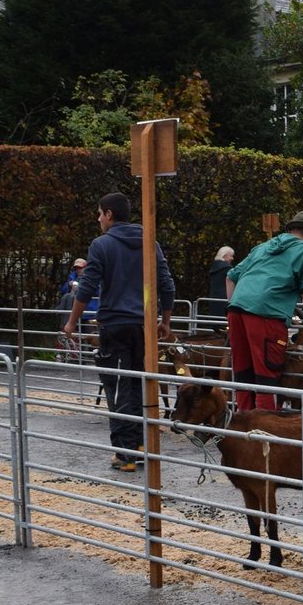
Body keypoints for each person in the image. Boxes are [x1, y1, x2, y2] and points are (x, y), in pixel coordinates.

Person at [61, 192, 175, 473]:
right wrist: (165, 320)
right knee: (140, 384)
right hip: (145, 326)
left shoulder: (102, 245)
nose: (98, 219)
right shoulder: (151, 243)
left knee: (117, 387)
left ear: (109, 214)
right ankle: (140, 445)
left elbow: (88, 286)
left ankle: (125, 454)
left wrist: (72, 322)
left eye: (100, 213)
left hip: (115, 325)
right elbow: (166, 283)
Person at [226, 210, 303, 410]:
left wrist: (235, 305)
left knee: (243, 371)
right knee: (267, 375)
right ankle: (265, 425)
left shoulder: (262, 247)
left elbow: (230, 277)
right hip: (267, 313)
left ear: (290, 230)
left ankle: (243, 420)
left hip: (236, 309)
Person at [203, 246, 235, 318]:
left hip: (213, 298)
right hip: (225, 299)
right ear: (224, 255)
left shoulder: (214, 268)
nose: (232, 258)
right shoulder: (227, 268)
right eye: (231, 256)